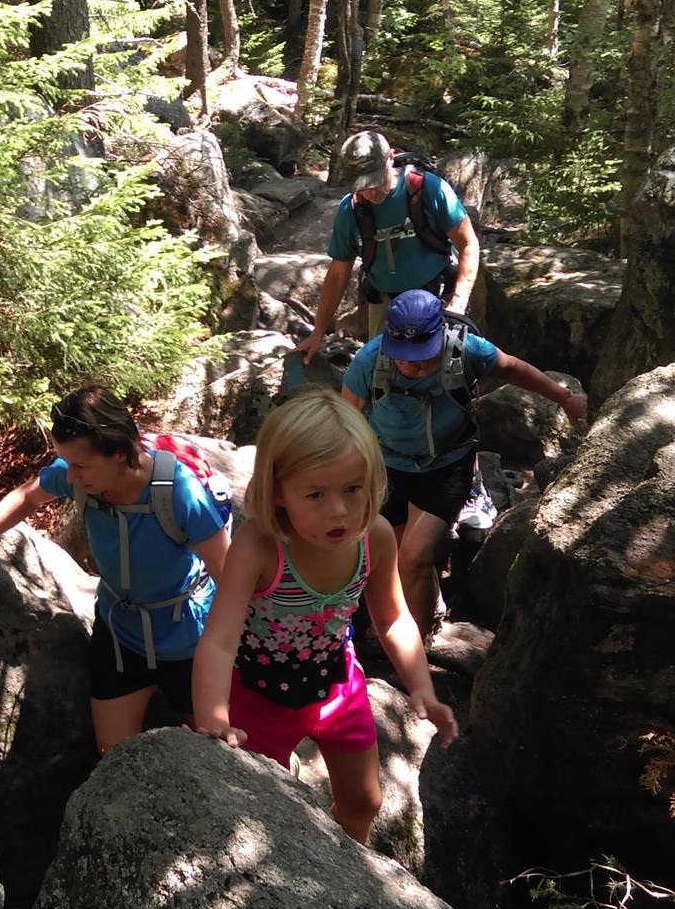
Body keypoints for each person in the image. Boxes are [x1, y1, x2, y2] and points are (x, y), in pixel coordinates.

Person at [0, 385, 231, 756]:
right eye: (66, 463)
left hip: (187, 637)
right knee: (116, 759)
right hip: (121, 633)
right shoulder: (79, 475)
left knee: (213, 749)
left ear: (120, 453)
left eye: (80, 465)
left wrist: (227, 670)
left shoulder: (177, 492)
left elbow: (231, 580)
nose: (69, 476)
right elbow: (27, 496)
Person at [191, 390, 458, 843]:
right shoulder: (259, 547)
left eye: (353, 489)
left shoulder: (373, 536)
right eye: (315, 494)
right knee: (256, 810)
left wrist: (422, 687)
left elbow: (392, 618)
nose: (338, 510)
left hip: (336, 684)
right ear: (278, 492)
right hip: (259, 697)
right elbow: (220, 638)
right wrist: (213, 715)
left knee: (365, 801)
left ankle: (353, 872)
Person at [342, 289, 588, 636]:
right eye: (405, 357)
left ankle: (416, 642)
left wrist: (565, 398)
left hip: (448, 463)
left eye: (423, 356)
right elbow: (346, 421)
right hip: (389, 466)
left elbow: (513, 369)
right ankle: (432, 605)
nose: (414, 365)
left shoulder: (467, 350)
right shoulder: (370, 362)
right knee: (399, 558)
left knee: (413, 557)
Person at [296, 129, 479, 362]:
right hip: (384, 305)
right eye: (363, 185)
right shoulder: (351, 210)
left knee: (443, 373)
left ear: (391, 158)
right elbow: (337, 274)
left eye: (376, 180)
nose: (372, 192)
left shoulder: (429, 190)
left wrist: (458, 304)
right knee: (383, 377)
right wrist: (318, 332)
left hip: (438, 298)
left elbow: (468, 244)